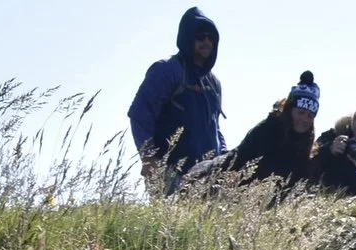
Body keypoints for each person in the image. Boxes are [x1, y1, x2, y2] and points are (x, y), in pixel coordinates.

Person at [129, 7, 225, 186]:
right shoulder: (167, 71)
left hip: (208, 178)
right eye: (200, 36)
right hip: (172, 174)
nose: (207, 41)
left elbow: (215, 129)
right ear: (187, 37)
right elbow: (140, 115)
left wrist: (226, 162)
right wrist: (149, 158)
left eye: (211, 37)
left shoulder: (214, 84)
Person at [227, 72, 320, 191]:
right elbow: (240, 165)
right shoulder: (266, 130)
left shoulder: (306, 144)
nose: (304, 119)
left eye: (310, 116)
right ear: (289, 109)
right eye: (301, 112)